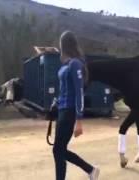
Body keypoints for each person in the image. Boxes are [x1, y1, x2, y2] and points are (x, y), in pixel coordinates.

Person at [53, 31, 99, 180]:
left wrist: (79, 120)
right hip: (62, 110)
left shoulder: (75, 64)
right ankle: (91, 170)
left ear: (64, 44)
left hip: (70, 111)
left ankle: (91, 170)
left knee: (58, 150)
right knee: (59, 150)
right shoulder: (66, 64)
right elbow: (65, 90)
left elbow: (79, 92)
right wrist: (57, 103)